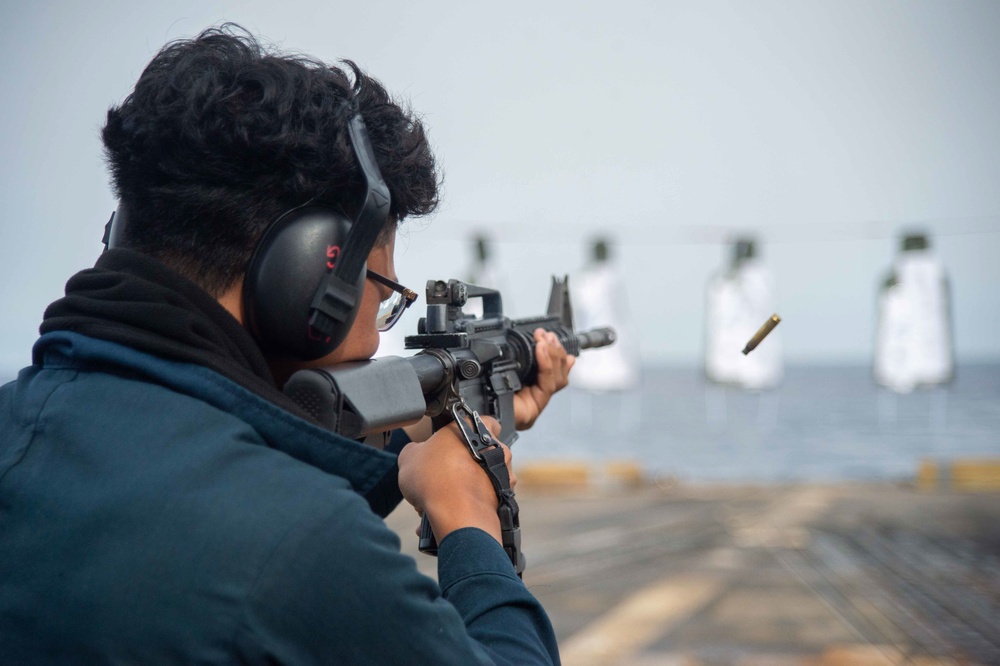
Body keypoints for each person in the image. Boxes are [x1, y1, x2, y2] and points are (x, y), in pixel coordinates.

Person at [0, 25, 573, 664]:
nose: (373, 333)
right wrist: (469, 520)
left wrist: (431, 424)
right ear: (308, 278)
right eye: (383, 297)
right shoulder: (303, 549)